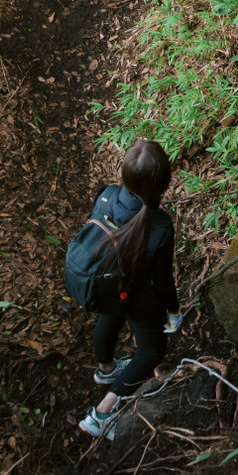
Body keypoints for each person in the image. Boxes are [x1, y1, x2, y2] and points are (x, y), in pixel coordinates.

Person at [78, 139, 183, 437]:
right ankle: (100, 415)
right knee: (151, 352)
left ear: (124, 175)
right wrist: (173, 312)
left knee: (109, 317)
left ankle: (106, 369)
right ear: (163, 184)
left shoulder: (106, 195)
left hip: (103, 283)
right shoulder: (159, 225)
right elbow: (163, 281)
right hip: (136, 294)